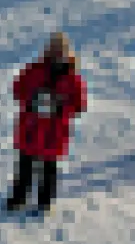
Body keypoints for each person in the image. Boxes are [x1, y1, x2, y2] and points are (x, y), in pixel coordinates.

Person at [7, 33, 87, 214]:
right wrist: (31, 100)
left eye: (61, 49)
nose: (57, 52)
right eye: (53, 48)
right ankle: (19, 198)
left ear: (68, 52)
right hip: (31, 126)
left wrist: (60, 108)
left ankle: (45, 201)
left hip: (54, 131)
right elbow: (17, 88)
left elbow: (80, 105)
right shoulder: (34, 69)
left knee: (48, 168)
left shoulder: (73, 77)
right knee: (24, 165)